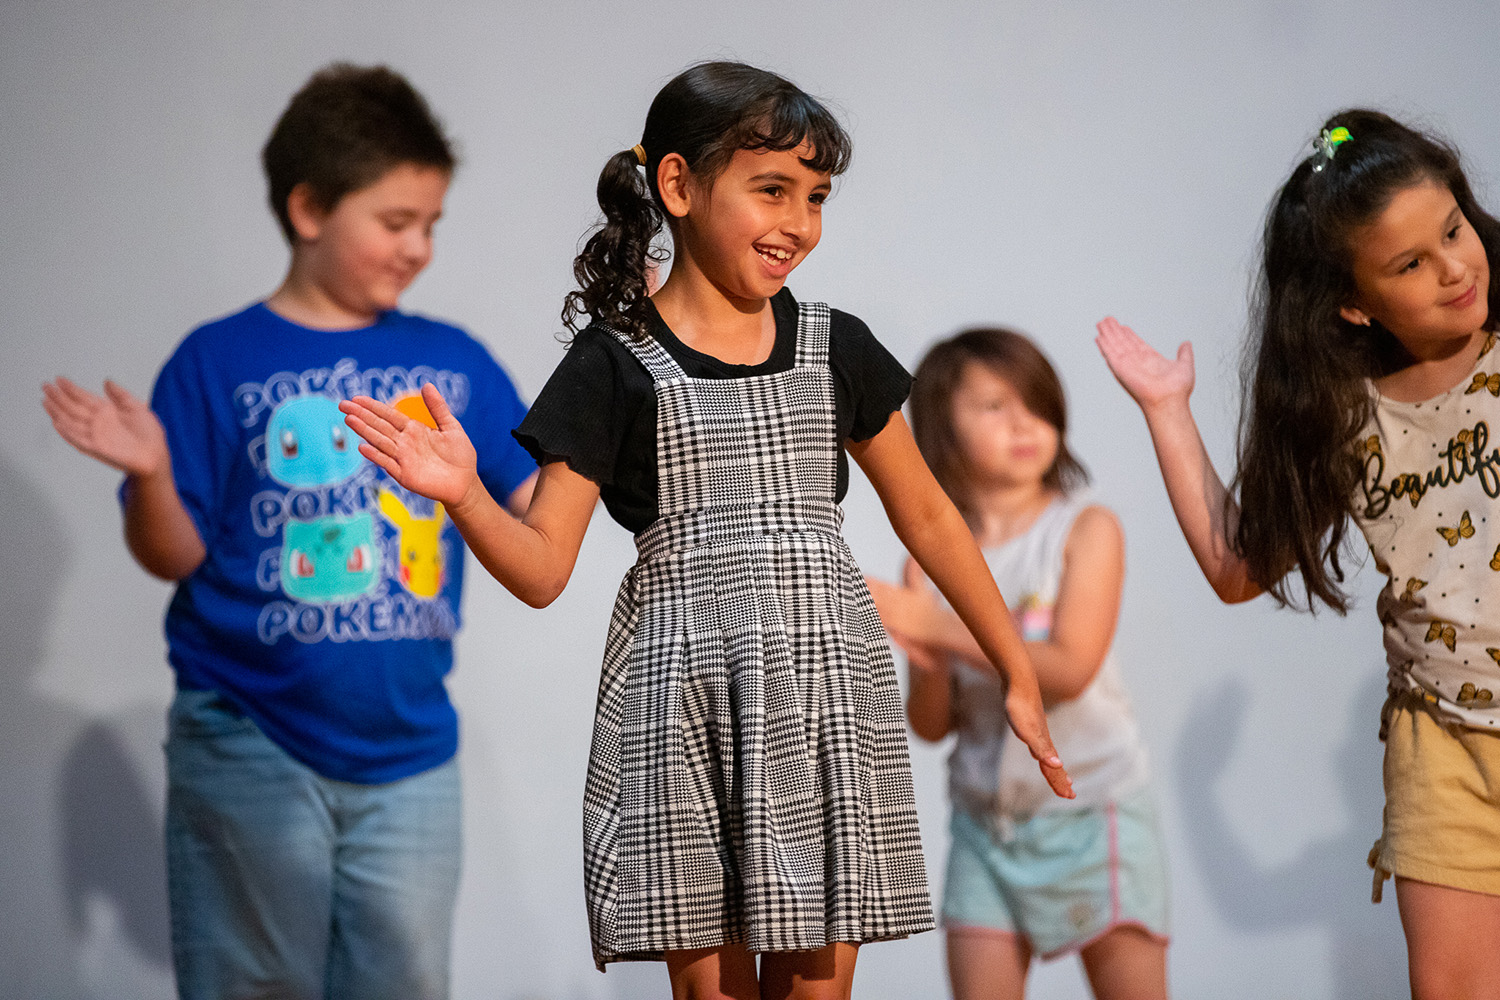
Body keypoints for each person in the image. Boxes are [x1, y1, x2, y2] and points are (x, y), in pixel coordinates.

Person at [339, 61, 1072, 1000]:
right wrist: (468, 495)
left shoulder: (835, 346)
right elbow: (544, 568)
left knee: (814, 987)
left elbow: (928, 514)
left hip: (821, 695)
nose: (798, 223)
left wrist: (1014, 666)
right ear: (679, 186)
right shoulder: (614, 363)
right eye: (772, 190)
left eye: (815, 197)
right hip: (682, 704)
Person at [41, 64, 537, 1000]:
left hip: (412, 754)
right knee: (254, 985)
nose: (420, 247)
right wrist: (153, 474)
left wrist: (619, 393)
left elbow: (536, 505)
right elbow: (172, 555)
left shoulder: (454, 362)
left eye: (431, 224)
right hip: (249, 737)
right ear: (309, 209)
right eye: (397, 222)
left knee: (405, 982)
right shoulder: (217, 359)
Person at [1095, 109, 1500, 1000]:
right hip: (1445, 750)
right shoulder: (1347, 417)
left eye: (1452, 230)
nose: (1454, 268)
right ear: (1353, 302)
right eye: (1410, 264)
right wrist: (1167, 410)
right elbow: (1237, 568)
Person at [867, 329, 1169, 1000]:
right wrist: (928, 652)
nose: (1024, 423)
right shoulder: (925, 567)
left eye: (1036, 403)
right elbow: (931, 724)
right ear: (941, 428)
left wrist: (930, 623)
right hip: (984, 827)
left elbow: (1069, 668)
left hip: (1094, 815)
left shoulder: (1085, 528)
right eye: (994, 406)